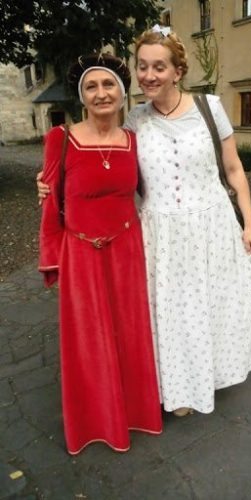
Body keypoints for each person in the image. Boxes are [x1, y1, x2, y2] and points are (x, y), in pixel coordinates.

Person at [38, 27, 251, 418]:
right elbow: (101, 161)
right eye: (142, 66)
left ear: (177, 71)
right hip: (161, 232)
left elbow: (234, 168)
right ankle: (179, 386)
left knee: (212, 304)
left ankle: (210, 373)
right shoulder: (135, 121)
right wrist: (50, 182)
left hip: (212, 224)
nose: (149, 75)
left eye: (159, 66)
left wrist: (250, 223)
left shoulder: (210, 107)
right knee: (172, 314)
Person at [38, 53, 162, 455]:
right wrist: (52, 257)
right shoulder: (61, 139)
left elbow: (153, 190)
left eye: (108, 85)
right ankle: (96, 422)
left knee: (128, 336)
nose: (101, 93)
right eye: (91, 87)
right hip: (81, 255)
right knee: (88, 344)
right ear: (81, 96)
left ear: (122, 92)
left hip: (127, 251)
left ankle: (133, 414)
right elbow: (50, 200)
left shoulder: (134, 141)